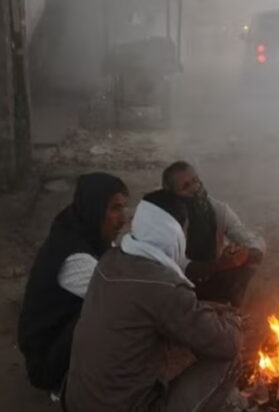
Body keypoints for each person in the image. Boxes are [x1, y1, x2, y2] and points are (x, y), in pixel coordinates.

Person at [65, 190, 242, 412]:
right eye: (185, 231)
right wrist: (232, 319)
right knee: (229, 359)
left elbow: (151, 307)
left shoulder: (111, 260)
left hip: (78, 402)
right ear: (173, 233)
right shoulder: (165, 287)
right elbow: (226, 344)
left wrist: (203, 308)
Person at [17, 173, 129, 397]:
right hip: (47, 365)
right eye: (115, 208)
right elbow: (124, 300)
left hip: (57, 343)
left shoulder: (84, 231)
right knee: (112, 311)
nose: (123, 218)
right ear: (95, 209)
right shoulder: (74, 256)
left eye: (124, 208)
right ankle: (71, 386)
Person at [161, 161, 267, 307]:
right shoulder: (165, 221)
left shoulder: (218, 210)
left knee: (246, 266)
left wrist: (245, 254)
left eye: (195, 181)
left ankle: (229, 308)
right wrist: (219, 264)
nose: (195, 189)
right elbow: (177, 266)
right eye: (185, 187)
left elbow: (253, 240)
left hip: (212, 277)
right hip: (177, 285)